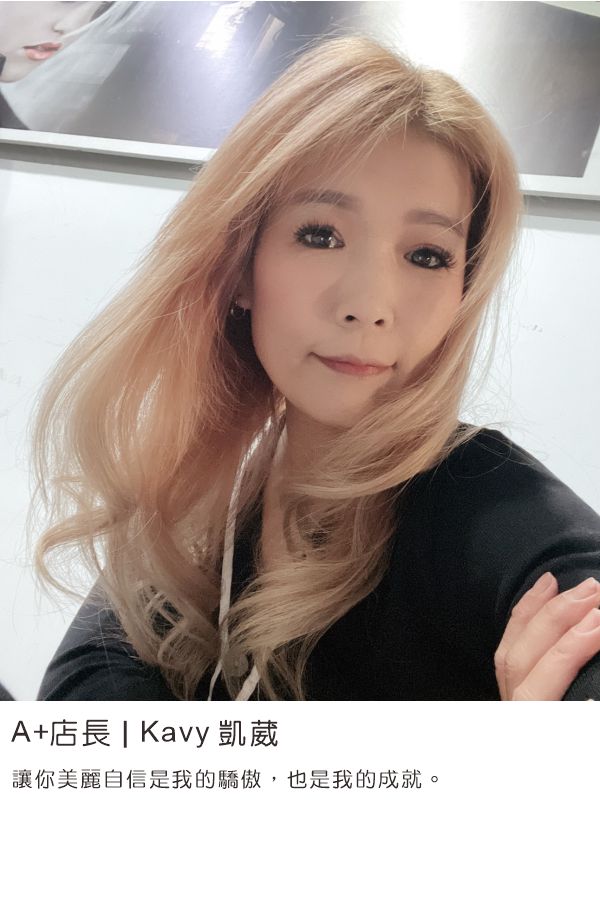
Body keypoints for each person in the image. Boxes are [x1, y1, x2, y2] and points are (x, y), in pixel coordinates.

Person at [29, 34, 600, 702]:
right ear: (240, 264)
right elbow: (84, 699)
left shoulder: (486, 505)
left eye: (427, 255)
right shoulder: (213, 487)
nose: (369, 306)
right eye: (321, 235)